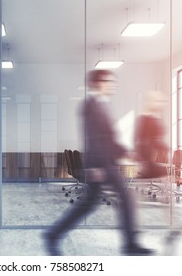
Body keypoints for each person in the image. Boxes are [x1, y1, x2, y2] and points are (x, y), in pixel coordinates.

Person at [43, 69, 154, 256]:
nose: (113, 85)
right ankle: (130, 244)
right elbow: (92, 138)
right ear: (99, 83)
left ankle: (54, 234)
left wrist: (128, 152)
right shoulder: (90, 105)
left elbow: (108, 137)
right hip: (102, 163)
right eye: (110, 81)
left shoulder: (101, 104)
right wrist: (95, 166)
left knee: (89, 204)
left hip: (106, 161)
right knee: (124, 198)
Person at [134, 90, 169, 178]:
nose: (163, 104)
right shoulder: (146, 119)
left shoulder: (155, 118)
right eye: (159, 101)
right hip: (150, 159)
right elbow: (141, 140)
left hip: (155, 158)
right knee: (160, 174)